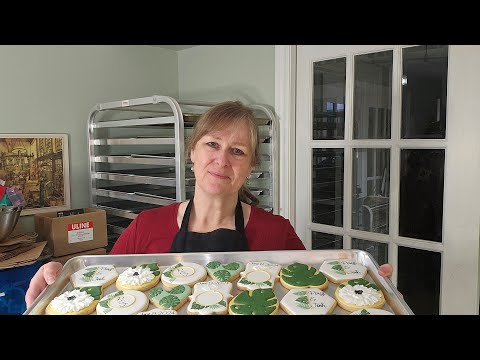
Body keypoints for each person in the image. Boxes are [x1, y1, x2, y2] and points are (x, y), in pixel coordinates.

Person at [25, 100, 393, 308]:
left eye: (237, 151)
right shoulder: (146, 227)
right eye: (212, 144)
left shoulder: (276, 232)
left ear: (250, 167)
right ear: (191, 152)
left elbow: (310, 298)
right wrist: (55, 285)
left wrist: (367, 291)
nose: (222, 160)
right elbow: (109, 293)